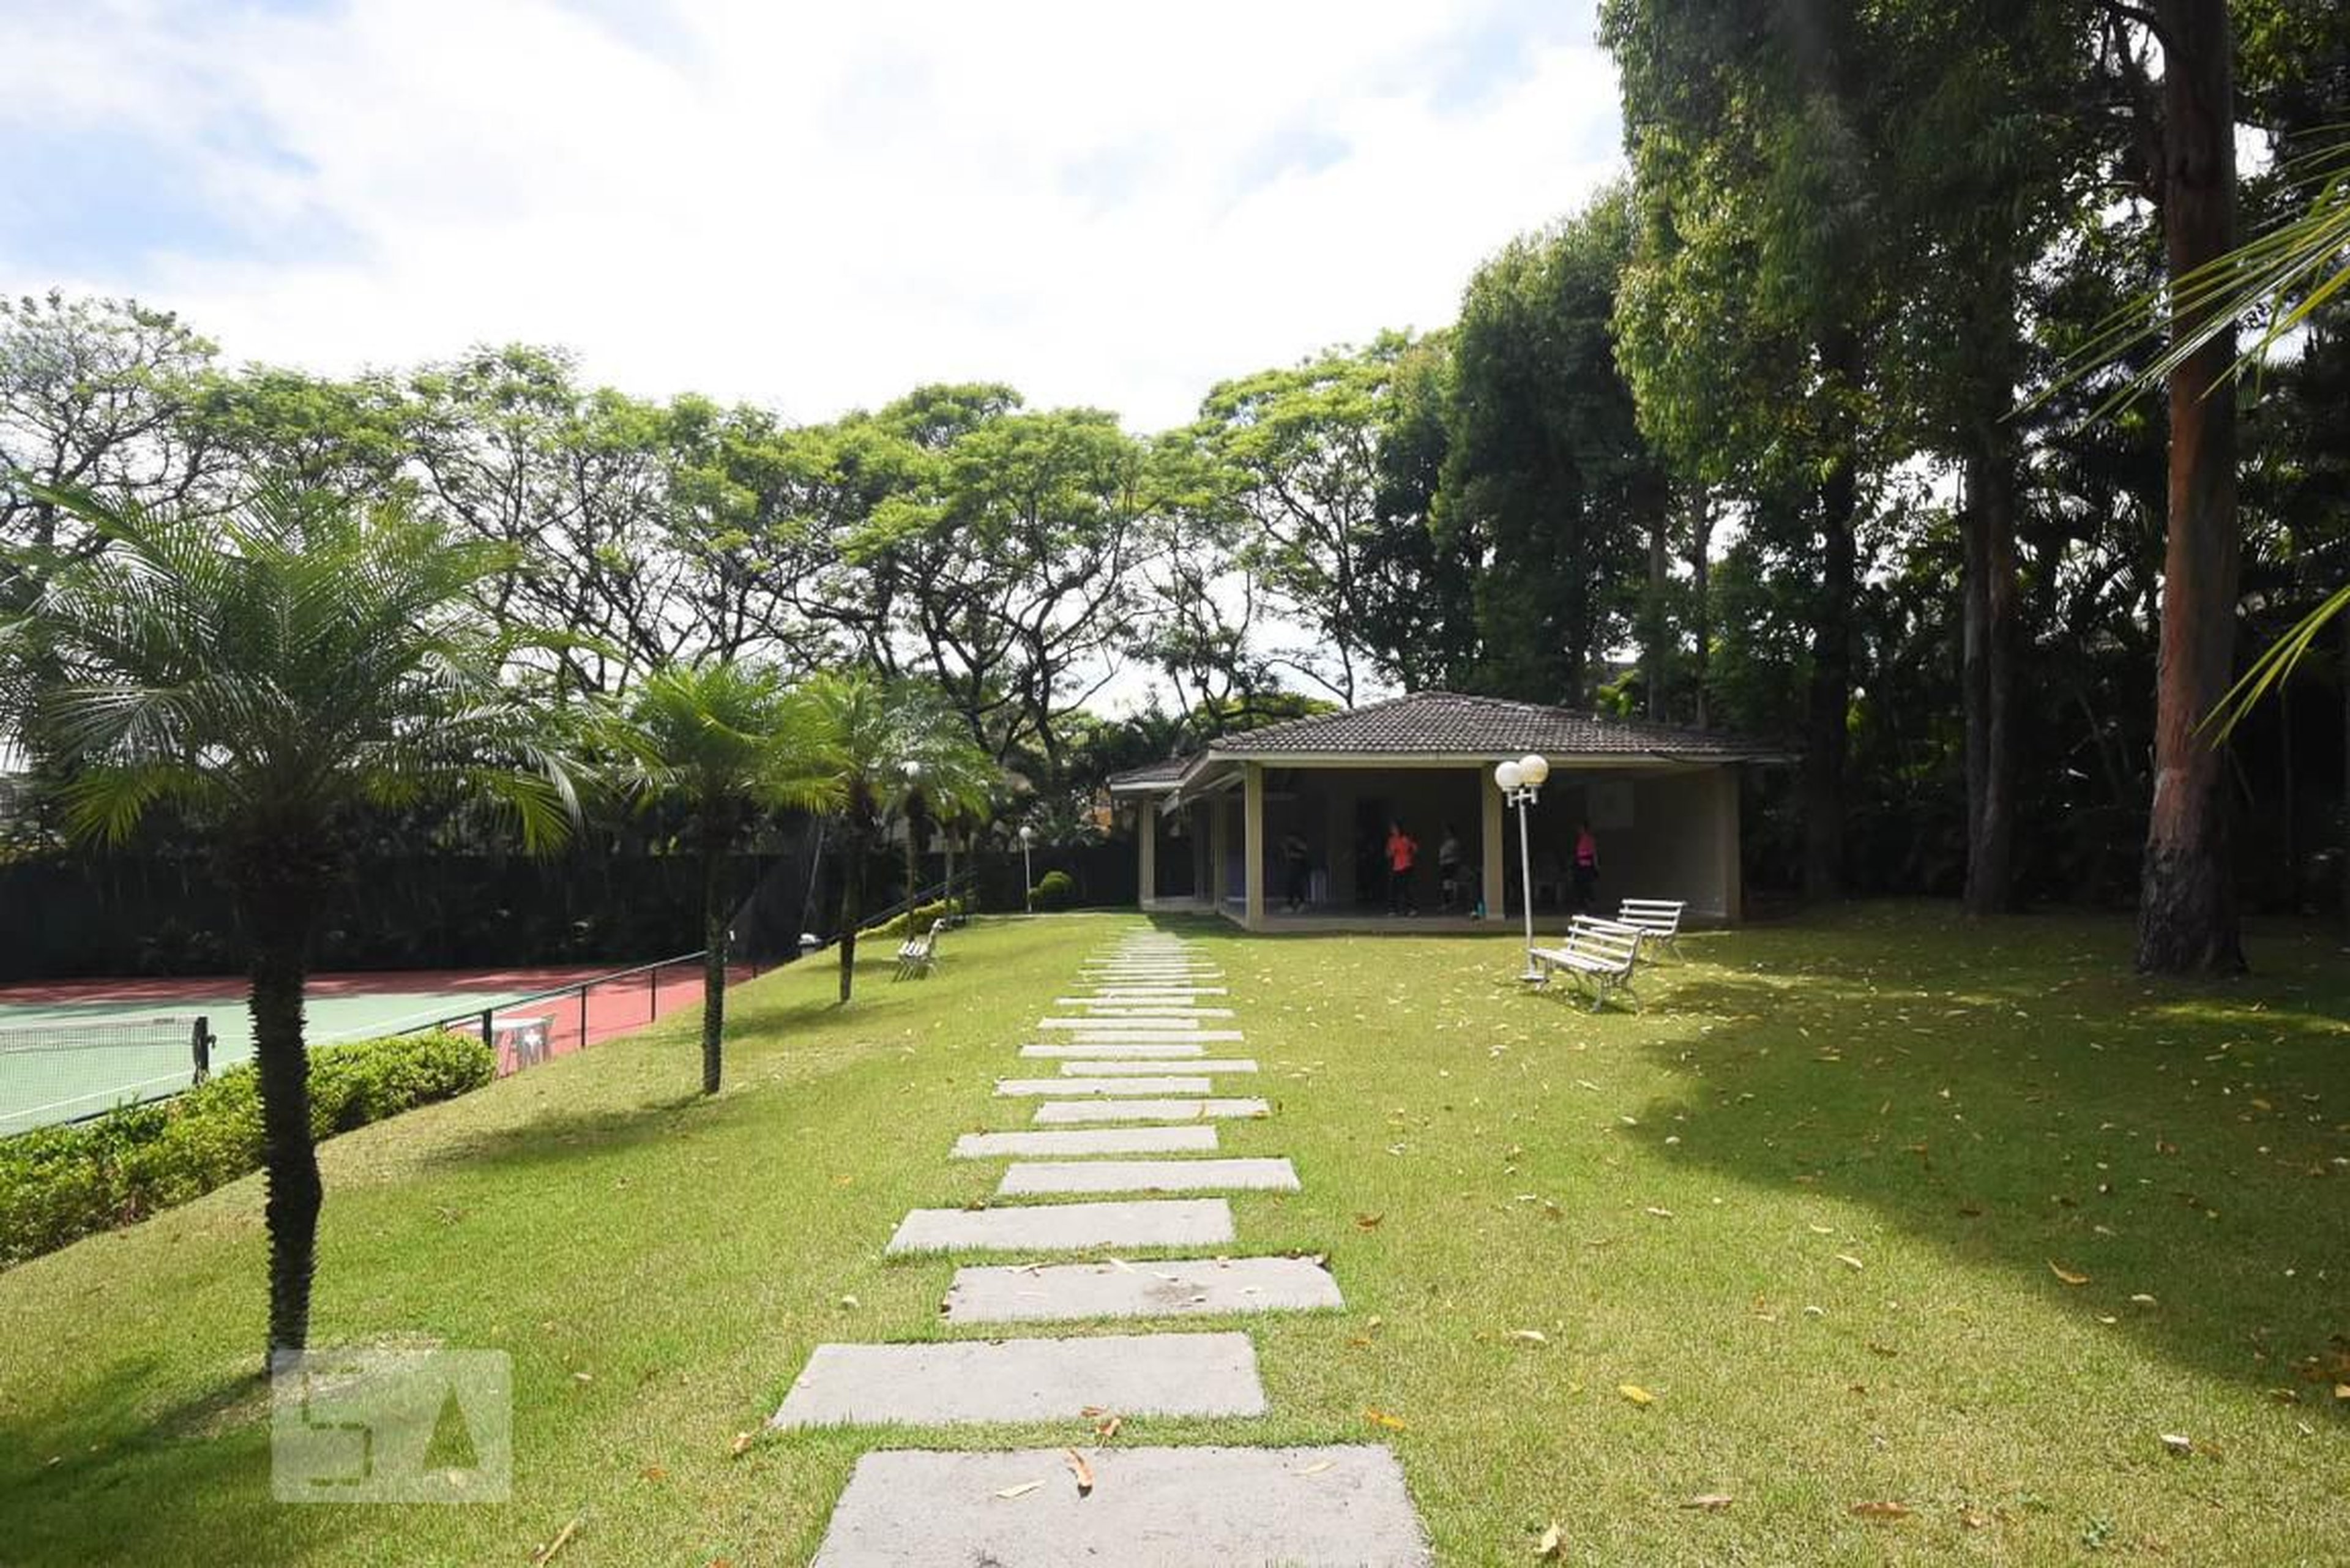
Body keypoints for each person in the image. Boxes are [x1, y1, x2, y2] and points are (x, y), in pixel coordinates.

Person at [1384, 819, 1419, 916]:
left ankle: (1412, 909)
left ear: (1399, 828)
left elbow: (1415, 850)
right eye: (1391, 828)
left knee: (1407, 889)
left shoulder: (1406, 838)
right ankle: (1392, 909)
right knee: (1393, 889)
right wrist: (1391, 851)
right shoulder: (1391, 840)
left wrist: (1412, 848)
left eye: (1394, 828)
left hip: (1407, 866)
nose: (1392, 830)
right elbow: (1388, 854)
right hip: (1396, 867)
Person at [1280, 830, 1312, 913]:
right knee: (1290, 886)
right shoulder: (1288, 846)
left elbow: (1303, 855)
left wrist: (1293, 855)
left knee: (1299, 886)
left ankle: (1301, 903)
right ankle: (1290, 904)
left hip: (1299, 869)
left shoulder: (1301, 845)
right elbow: (1287, 856)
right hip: (1291, 869)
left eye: (1291, 838)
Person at [1572, 820, 1600, 911]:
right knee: (1580, 885)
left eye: (1580, 828)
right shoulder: (1580, 840)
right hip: (1580, 865)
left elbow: (1594, 853)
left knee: (1586, 886)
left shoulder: (1590, 839)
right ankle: (1583, 905)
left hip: (1587, 866)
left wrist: (1596, 866)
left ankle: (1590, 903)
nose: (1579, 830)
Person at [1436, 824, 1463, 913]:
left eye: (1447, 831)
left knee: (1452, 884)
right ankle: (1447, 904)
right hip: (1445, 866)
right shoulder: (1445, 842)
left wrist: (1445, 855)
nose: (1445, 833)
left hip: (1451, 865)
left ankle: (1453, 903)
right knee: (1446, 885)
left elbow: (1451, 853)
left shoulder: (1454, 842)